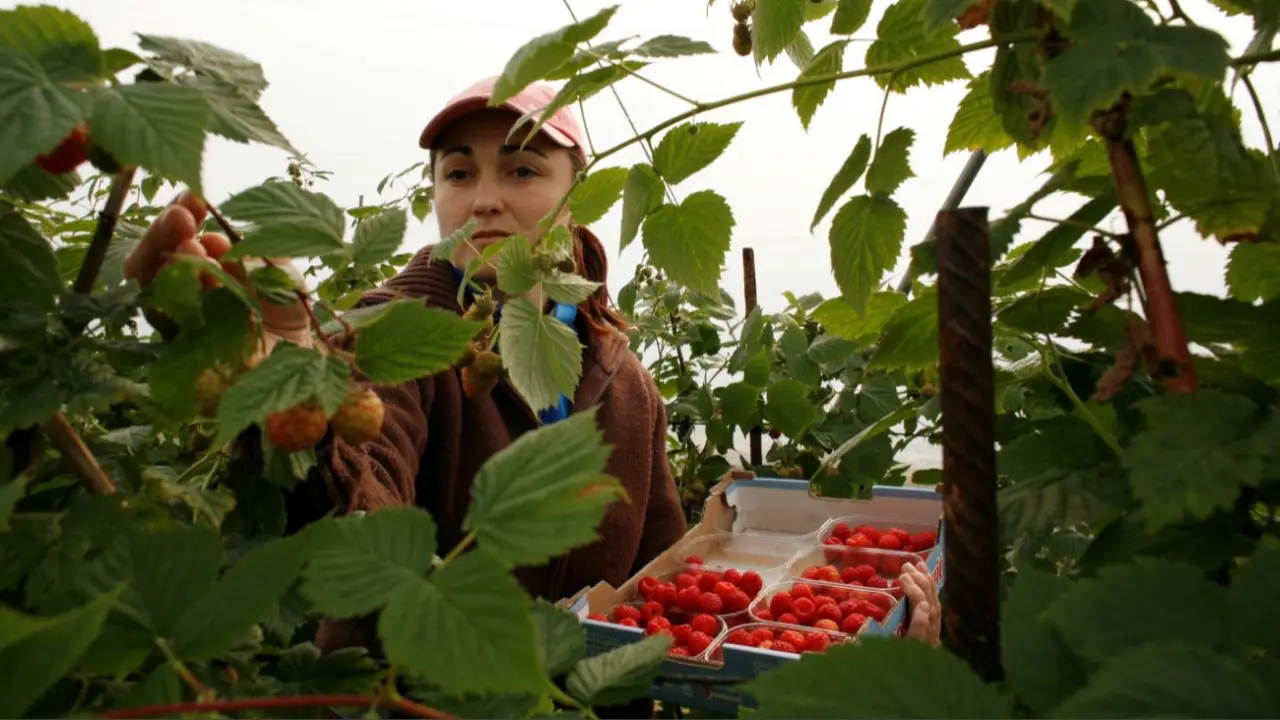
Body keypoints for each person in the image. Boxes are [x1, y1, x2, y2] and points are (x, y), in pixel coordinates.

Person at [123, 74, 942, 709]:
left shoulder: (624, 382)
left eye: (521, 168)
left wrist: (840, 648)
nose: (483, 197)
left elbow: (661, 582)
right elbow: (353, 520)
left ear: (576, 193)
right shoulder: (393, 340)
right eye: (458, 171)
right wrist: (291, 395)